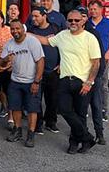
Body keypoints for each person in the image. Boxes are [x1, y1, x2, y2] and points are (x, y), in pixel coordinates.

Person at [34, 10, 101, 154]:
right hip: (64, 80)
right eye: (70, 20)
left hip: (82, 82)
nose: (73, 23)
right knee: (64, 110)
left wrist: (89, 82)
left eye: (76, 20)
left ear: (83, 21)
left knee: (80, 114)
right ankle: (87, 138)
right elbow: (46, 40)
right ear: (66, 22)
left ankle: (75, 143)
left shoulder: (90, 38)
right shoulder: (62, 36)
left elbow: (96, 62)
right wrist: (25, 33)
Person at [0, 19, 45, 148]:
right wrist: (6, 59)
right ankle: (17, 130)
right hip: (15, 80)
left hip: (31, 81)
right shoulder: (9, 44)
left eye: (17, 28)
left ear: (23, 29)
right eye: (12, 29)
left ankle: (31, 133)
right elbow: (1, 63)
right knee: (15, 107)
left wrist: (36, 81)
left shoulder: (32, 42)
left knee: (32, 109)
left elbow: (40, 61)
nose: (15, 31)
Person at [27, 6, 62, 134]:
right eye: (32, 16)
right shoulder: (31, 30)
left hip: (53, 70)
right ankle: (38, 124)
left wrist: (61, 63)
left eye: (36, 16)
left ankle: (51, 122)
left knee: (52, 99)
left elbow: (63, 48)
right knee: (36, 99)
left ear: (44, 16)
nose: (33, 19)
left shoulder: (55, 29)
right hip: (36, 72)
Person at [77, 6, 108, 145]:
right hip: (79, 75)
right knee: (80, 108)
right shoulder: (73, 33)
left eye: (84, 16)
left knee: (96, 106)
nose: (82, 19)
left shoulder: (93, 34)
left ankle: (99, 133)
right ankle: (83, 132)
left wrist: (97, 76)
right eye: (79, 16)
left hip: (93, 76)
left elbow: (100, 56)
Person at [88, 0, 109, 125]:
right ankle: (85, 109)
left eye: (95, 9)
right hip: (88, 58)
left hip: (102, 58)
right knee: (87, 83)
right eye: (91, 9)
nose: (93, 11)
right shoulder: (86, 23)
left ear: (101, 10)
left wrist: (108, 53)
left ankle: (103, 110)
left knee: (103, 85)